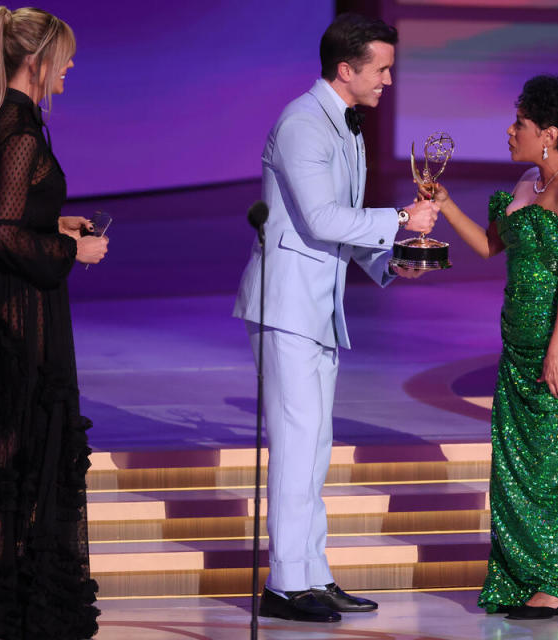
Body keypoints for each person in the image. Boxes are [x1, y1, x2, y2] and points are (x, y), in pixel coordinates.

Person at [232, 13, 439, 624]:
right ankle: (284, 586)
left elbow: (340, 223)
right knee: (296, 443)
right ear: (346, 69)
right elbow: (323, 219)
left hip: (315, 307)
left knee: (314, 445)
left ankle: (311, 575)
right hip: (285, 305)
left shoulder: (345, 126)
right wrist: (401, 221)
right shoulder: (302, 123)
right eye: (381, 70)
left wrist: (390, 263)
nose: (388, 82)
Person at [419, 75, 558, 619]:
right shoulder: (527, 181)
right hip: (519, 342)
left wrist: (557, 350)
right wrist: (444, 205)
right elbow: (492, 245)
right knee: (517, 463)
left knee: (556, 465)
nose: (509, 129)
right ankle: (524, 575)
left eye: (520, 122)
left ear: (549, 132)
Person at [0, 6, 108, 640]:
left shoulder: (0, 123)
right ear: (37, 60)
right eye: (66, 57)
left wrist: (54, 225)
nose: (71, 67)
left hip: (3, 305)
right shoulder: (19, 131)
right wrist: (71, 250)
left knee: (1, 452)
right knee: (8, 454)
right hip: (20, 312)